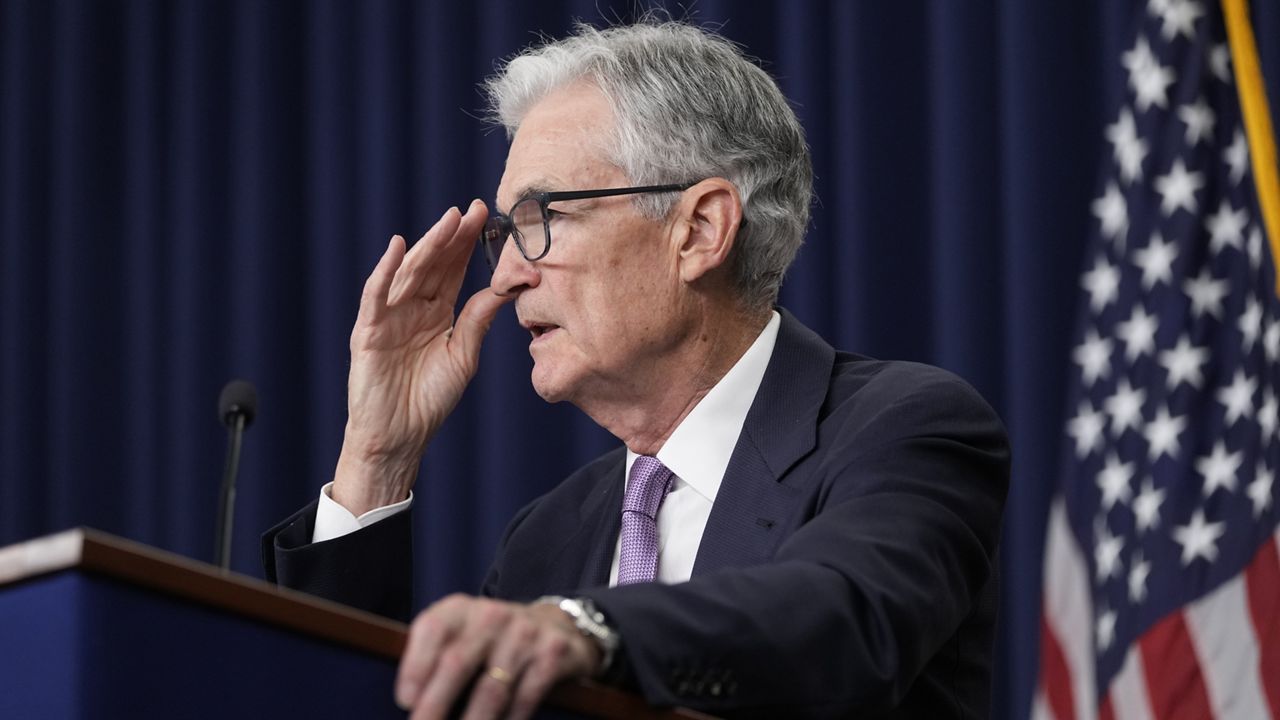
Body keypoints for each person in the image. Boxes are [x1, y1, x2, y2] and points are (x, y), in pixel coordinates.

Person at [263, 19, 1009, 720]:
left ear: (700, 230)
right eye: (506, 233)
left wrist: (589, 629)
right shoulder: (547, 538)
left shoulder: (903, 429)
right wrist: (376, 458)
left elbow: (843, 617)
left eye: (542, 217)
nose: (506, 276)